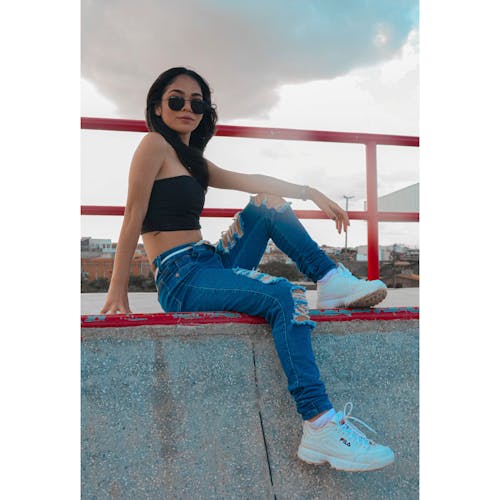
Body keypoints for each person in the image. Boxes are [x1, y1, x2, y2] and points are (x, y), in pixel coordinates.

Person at [101, 67, 394, 472]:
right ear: (157, 106)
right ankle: (320, 424)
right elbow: (133, 214)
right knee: (284, 293)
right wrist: (118, 291)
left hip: (207, 262)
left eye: (197, 101)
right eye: (176, 99)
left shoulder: (194, 162)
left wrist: (310, 192)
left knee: (268, 203)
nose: (188, 107)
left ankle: (329, 279)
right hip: (180, 276)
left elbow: (251, 179)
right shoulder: (153, 145)